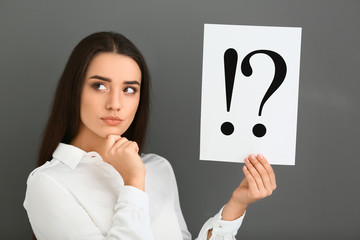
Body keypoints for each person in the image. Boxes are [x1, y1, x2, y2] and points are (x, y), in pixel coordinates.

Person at [23, 32, 276, 240]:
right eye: (99, 86)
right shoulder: (47, 183)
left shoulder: (158, 168)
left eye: (129, 89)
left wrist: (236, 205)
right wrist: (134, 181)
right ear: (74, 90)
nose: (115, 103)